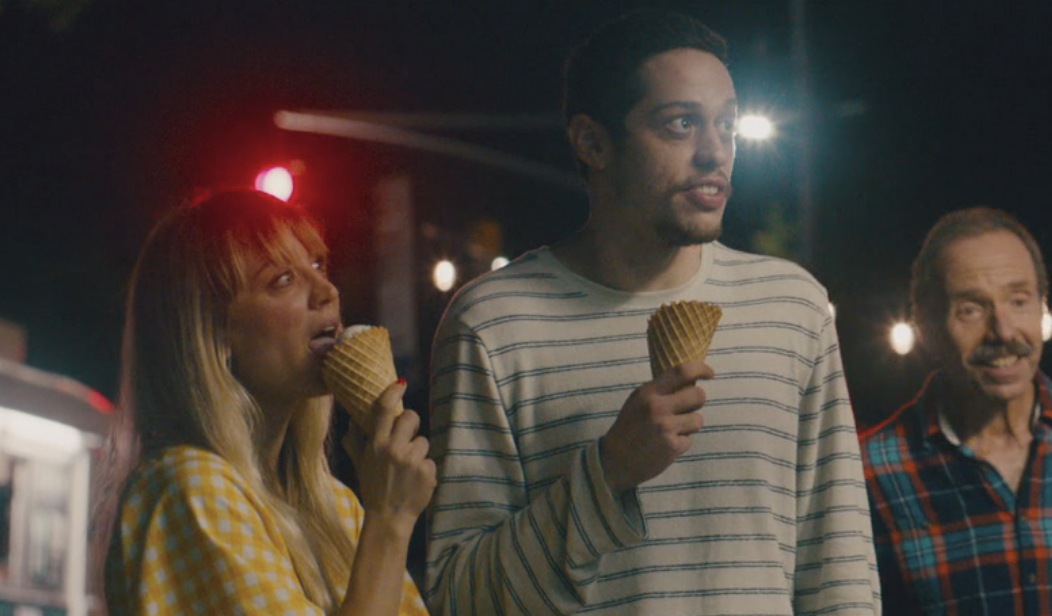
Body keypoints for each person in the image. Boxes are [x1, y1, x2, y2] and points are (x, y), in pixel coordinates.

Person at [425, 10, 880, 615]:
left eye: (728, 125)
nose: (715, 152)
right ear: (592, 142)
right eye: (681, 124)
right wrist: (610, 472)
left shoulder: (792, 307)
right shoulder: (493, 324)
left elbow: (840, 571)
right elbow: (459, 597)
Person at [96, 189, 435, 616]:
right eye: (283, 280)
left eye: (317, 265)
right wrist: (388, 521)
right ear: (214, 332)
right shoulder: (189, 488)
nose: (327, 289)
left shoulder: (339, 506)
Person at [860, 207, 1051, 615]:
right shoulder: (870, 477)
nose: (1003, 331)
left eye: (1019, 301)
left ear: (1041, 308)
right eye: (971, 309)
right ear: (926, 325)